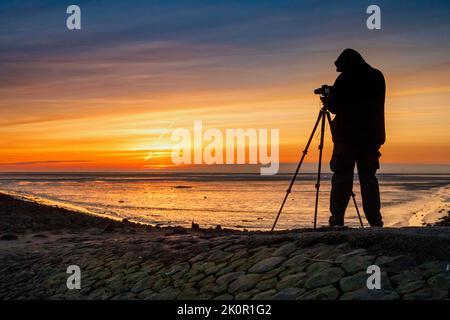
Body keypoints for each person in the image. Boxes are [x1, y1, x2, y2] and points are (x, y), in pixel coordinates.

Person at [322, 48, 386, 227]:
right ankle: (375, 221)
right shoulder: (377, 76)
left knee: (342, 177)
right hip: (371, 138)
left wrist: (329, 98)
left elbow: (335, 106)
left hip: (347, 139)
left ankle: (337, 219)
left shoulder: (345, 78)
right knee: (369, 179)